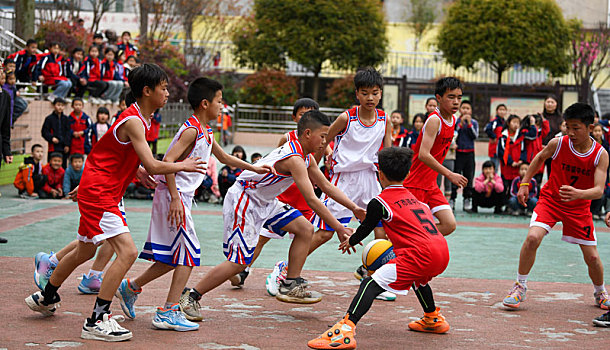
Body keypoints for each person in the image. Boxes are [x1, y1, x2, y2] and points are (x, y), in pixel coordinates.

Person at [24, 63, 206, 342]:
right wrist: (184, 165)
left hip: (98, 190)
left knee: (84, 252)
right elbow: (155, 165)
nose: (168, 92)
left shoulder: (138, 119)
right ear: (147, 91)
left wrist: (137, 172)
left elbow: (113, 154)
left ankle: (46, 297)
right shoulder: (134, 121)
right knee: (127, 252)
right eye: (164, 88)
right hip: (101, 194)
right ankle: (96, 320)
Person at [114, 77, 272, 330]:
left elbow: (223, 156)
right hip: (172, 196)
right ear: (205, 103)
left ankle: (131, 287)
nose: (223, 106)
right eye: (220, 101)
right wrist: (175, 198)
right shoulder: (191, 129)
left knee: (172, 257)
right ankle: (167, 310)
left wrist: (254, 167)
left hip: (179, 197)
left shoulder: (206, 130)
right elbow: (168, 160)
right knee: (188, 254)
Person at [178, 110, 364, 321]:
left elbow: (327, 186)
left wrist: (354, 208)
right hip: (244, 199)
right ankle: (191, 296)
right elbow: (312, 199)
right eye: (322, 136)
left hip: (265, 202)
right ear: (308, 134)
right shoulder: (295, 158)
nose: (325, 141)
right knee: (239, 262)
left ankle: (290, 283)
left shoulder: (306, 157)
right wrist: (339, 228)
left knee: (305, 228)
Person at [307, 147, 450, 349]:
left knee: (369, 284)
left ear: (379, 173)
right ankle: (432, 317)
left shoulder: (380, 201)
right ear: (408, 174)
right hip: (442, 252)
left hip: (419, 254)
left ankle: (345, 330)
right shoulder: (417, 201)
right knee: (418, 279)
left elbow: (367, 226)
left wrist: (351, 240)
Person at [502, 102, 610, 311]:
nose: (570, 132)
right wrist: (525, 183)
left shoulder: (600, 154)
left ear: (590, 127)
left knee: (593, 257)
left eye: (575, 128)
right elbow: (539, 158)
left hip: (579, 208)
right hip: (550, 201)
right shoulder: (558, 143)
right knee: (533, 237)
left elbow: (598, 190)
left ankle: (600, 291)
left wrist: (579, 194)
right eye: (567, 127)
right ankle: (519, 286)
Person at [307, 67, 392, 297]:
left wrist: (390, 183)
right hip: (342, 180)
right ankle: (286, 269)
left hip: (370, 180)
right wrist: (312, 168)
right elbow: (324, 140)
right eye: (365, 93)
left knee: (381, 228)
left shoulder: (384, 119)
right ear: (357, 94)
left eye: (375, 93)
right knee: (325, 233)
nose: (370, 98)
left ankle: (374, 278)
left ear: (381, 94)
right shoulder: (347, 117)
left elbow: (388, 153)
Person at [402, 77, 467, 327]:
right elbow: (423, 154)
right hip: (416, 184)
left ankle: (412, 245)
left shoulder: (454, 121)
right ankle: (386, 261)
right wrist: (448, 173)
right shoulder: (434, 120)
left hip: (431, 186)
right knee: (402, 234)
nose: (456, 102)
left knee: (449, 225)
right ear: (438, 98)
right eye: (451, 97)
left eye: (459, 97)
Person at [496, 114, 535, 201]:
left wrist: (521, 160)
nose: (516, 125)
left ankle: (516, 205)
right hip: (507, 167)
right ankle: (504, 204)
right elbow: (501, 152)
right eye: (514, 122)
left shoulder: (521, 136)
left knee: (516, 186)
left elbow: (524, 150)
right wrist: (511, 162)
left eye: (518, 123)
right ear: (509, 123)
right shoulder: (503, 136)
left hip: (518, 166)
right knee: (505, 186)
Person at [452, 100, 478, 212]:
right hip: (458, 153)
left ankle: (467, 199)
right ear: (460, 110)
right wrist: (460, 124)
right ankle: (452, 198)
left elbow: (475, 136)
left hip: (469, 153)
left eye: (468, 108)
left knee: (469, 177)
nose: (465, 110)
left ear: (471, 111)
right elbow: (453, 135)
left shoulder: (474, 123)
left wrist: (469, 124)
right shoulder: (455, 121)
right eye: (463, 108)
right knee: (455, 176)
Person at [41, 97, 71, 168]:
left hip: (63, 147)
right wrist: (51, 138)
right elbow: (44, 132)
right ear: (54, 106)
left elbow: (68, 132)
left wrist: (67, 144)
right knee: (51, 165)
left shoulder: (66, 119)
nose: (60, 107)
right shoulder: (49, 118)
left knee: (63, 166)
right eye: (58, 105)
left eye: (62, 105)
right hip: (53, 147)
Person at [541, 95, 563, 179]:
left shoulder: (561, 119)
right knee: (537, 175)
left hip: (555, 151)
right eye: (548, 102)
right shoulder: (540, 117)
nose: (550, 104)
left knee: (553, 176)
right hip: (541, 149)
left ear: (556, 104)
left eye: (552, 102)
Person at [485, 104, 508, 170]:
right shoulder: (494, 121)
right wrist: (493, 137)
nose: (502, 111)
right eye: (500, 109)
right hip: (494, 148)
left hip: (503, 149)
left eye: (503, 110)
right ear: (497, 111)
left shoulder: (505, 123)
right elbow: (487, 129)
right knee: (494, 168)